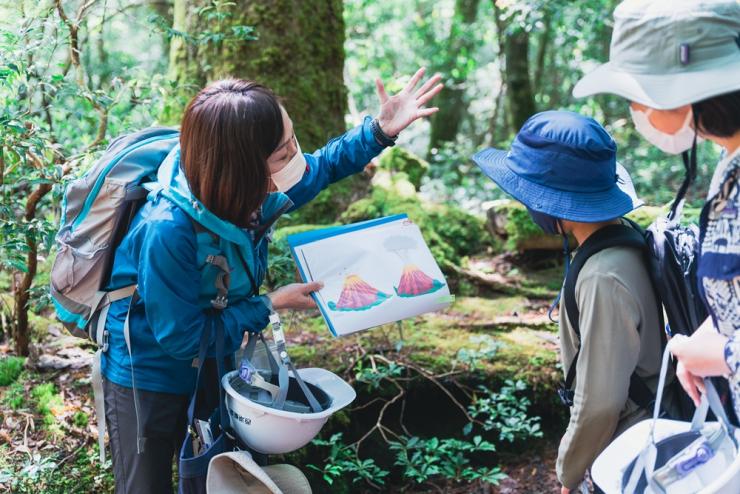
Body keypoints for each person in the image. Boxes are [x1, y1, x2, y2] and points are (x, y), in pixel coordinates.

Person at [100, 69, 443, 493]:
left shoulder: (252, 196)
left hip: (216, 356)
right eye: (283, 155)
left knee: (221, 471)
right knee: (145, 485)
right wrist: (269, 304)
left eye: (292, 142)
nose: (296, 159)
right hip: (147, 371)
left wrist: (378, 131)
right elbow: (183, 339)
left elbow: (323, 168)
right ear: (241, 166)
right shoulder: (167, 229)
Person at [473, 111, 670, 494]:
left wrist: (569, 474)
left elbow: (600, 401)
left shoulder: (602, 275)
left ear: (555, 205)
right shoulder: (622, 238)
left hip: (628, 452)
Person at [573, 0, 740, 418]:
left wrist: (719, 354)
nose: (635, 112)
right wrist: (709, 334)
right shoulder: (728, 166)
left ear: (684, 92)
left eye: (637, 96)